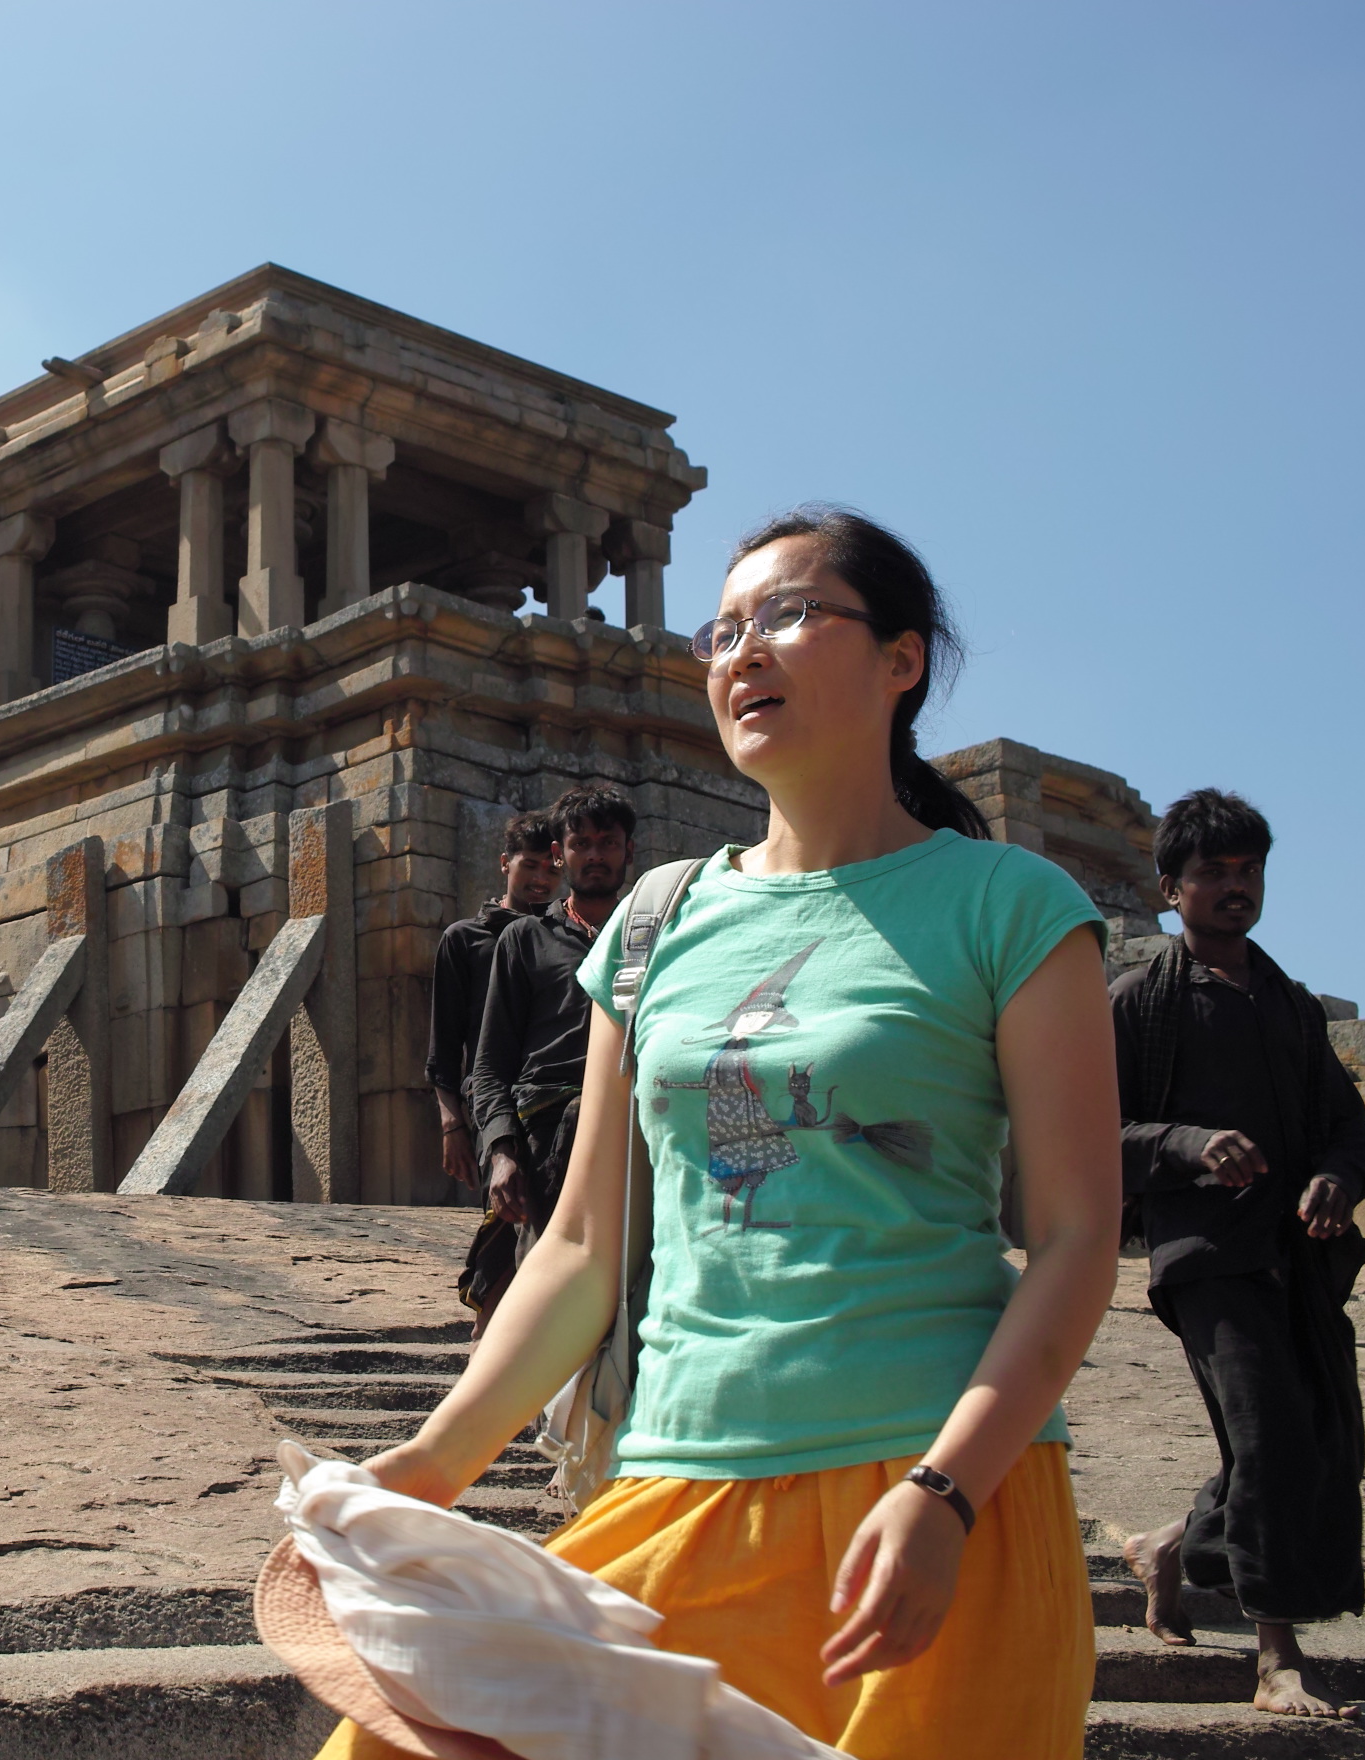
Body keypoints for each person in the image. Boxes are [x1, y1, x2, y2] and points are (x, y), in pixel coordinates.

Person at [318, 506, 1121, 1759]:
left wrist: (949, 1487)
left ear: (902, 659)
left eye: (790, 615)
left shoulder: (1011, 904)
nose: (744, 650)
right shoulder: (656, 919)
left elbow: (1075, 1238)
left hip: (932, 1498)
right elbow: (580, 1247)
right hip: (677, 1478)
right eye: (724, 627)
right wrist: (428, 1462)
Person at [1113, 789, 1365, 1722]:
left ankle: (1169, 1547)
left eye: (1250, 870)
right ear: (1169, 889)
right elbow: (1084, 1131)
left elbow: (1352, 1132)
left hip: (1297, 1257)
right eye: (1214, 872)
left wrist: (1336, 1178)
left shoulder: (1291, 1006)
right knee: (1268, 1435)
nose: (1237, 887)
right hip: (1204, 1256)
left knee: (1321, 1437)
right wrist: (1186, 1144)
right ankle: (1276, 1659)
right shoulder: (1139, 1001)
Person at [459, 786, 636, 1330]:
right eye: (582, 844)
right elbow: (489, 1065)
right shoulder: (525, 940)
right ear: (560, 855)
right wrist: (501, 1153)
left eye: (608, 842)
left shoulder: (651, 938)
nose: (596, 855)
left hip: (632, 1133)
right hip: (543, 1140)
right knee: (526, 1308)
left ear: (629, 851)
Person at [427, 811, 559, 1201]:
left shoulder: (565, 940)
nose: (540, 879)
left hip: (554, 1101)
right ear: (505, 863)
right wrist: (452, 1126)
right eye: (529, 865)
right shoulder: (464, 940)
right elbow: (444, 1046)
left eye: (551, 869)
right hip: (494, 1103)